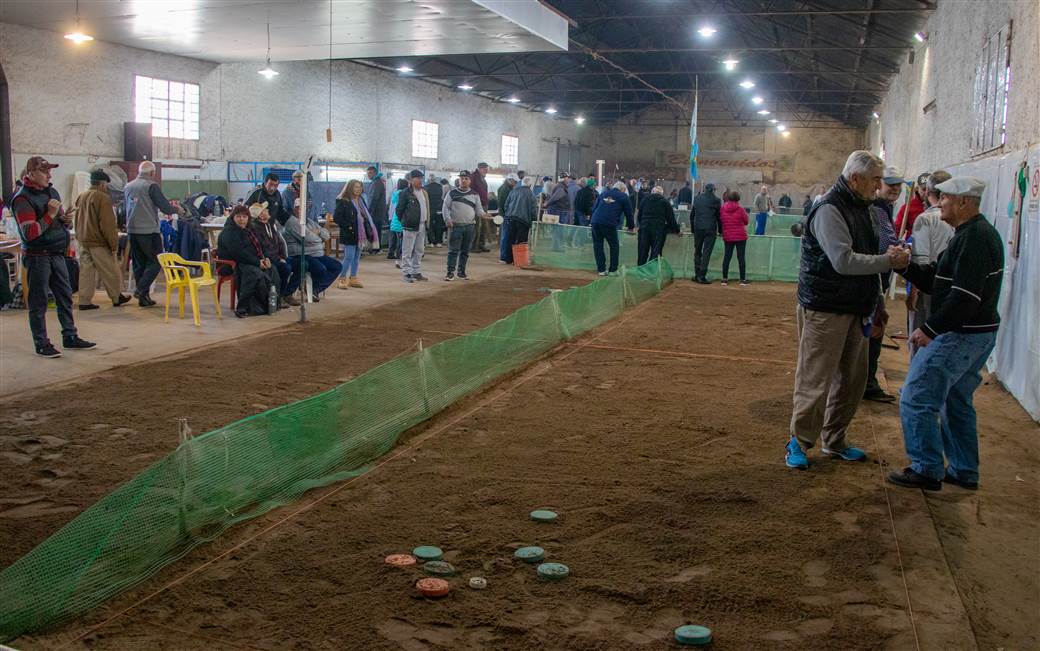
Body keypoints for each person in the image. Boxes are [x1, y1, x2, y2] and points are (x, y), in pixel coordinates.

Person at [785, 150, 903, 470]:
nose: (880, 187)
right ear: (856, 179)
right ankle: (799, 441)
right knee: (815, 379)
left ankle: (834, 439)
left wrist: (877, 303)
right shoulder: (828, 209)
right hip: (825, 308)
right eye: (875, 180)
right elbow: (843, 260)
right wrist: (888, 262)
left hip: (858, 308)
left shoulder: (865, 208)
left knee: (853, 381)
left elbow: (864, 259)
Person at [886, 177, 1003, 491]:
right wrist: (905, 266)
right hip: (975, 333)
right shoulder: (969, 235)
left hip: (961, 334)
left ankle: (926, 467)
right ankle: (964, 470)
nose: (938, 203)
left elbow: (964, 297)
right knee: (955, 400)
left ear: (964, 202)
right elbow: (939, 282)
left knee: (916, 396)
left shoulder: (975, 239)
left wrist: (929, 329)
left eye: (945, 198)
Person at [12, 156, 95, 357]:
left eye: (50, 171)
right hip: (37, 256)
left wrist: (65, 220)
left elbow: (58, 221)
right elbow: (29, 233)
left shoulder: (52, 191)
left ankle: (70, 336)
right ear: (31, 174)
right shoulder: (22, 199)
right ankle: (41, 343)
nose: (49, 175)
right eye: (44, 171)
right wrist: (50, 214)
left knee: (65, 297)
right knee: (38, 302)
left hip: (57, 254)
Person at [863, 167, 904, 403]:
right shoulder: (876, 209)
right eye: (890, 185)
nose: (895, 189)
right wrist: (898, 247)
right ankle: (867, 383)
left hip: (878, 277)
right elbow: (883, 244)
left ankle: (866, 381)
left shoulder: (883, 208)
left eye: (898, 185)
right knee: (874, 329)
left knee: (875, 327)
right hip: (873, 279)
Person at [907, 170, 955, 357]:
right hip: (950, 289)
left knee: (920, 337)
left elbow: (921, 260)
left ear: (927, 192)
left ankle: (917, 380)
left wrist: (913, 291)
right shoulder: (960, 219)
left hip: (929, 287)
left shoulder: (926, 219)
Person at [124, 160, 181, 307]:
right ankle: (141, 289)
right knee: (156, 262)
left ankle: (144, 298)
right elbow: (165, 208)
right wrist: (178, 210)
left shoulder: (128, 186)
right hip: (148, 230)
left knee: (139, 264)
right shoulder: (151, 186)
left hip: (132, 230)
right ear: (152, 173)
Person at [74, 169, 131, 309]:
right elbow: (107, 224)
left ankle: (84, 301)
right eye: (106, 184)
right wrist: (113, 244)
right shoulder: (103, 198)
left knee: (86, 273)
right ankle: (117, 297)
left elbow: (76, 219)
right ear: (102, 184)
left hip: (83, 240)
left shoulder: (82, 196)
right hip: (99, 242)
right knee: (110, 271)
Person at [218, 205, 277, 317]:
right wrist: (258, 262)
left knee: (273, 270)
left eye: (244, 216)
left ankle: (269, 305)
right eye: (238, 216)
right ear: (233, 218)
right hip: (231, 264)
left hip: (248, 261)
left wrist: (265, 258)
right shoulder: (229, 232)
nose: (241, 219)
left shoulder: (250, 230)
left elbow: (260, 246)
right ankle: (243, 307)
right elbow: (238, 253)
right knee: (254, 274)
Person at [283, 200, 341, 301]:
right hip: (301, 254)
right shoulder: (293, 222)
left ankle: (316, 289)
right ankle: (311, 289)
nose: (302, 210)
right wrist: (319, 239)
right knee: (320, 268)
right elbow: (307, 239)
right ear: (294, 209)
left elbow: (327, 235)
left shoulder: (309, 221)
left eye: (304, 208)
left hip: (317, 254)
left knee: (337, 266)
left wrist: (318, 232)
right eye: (299, 208)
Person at [249, 202, 299, 307]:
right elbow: (264, 249)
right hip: (268, 260)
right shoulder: (256, 229)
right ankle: (279, 297)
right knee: (285, 269)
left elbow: (280, 243)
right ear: (260, 215)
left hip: (278, 257)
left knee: (302, 264)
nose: (267, 211)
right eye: (265, 210)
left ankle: (287, 293)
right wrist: (279, 258)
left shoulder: (270, 225)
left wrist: (283, 257)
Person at [333, 179, 380, 289]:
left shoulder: (361, 200)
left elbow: (364, 214)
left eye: (360, 187)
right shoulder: (343, 200)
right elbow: (337, 218)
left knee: (357, 257)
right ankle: (342, 278)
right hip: (349, 233)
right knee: (349, 256)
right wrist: (348, 226)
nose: (358, 189)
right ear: (350, 188)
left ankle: (353, 278)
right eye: (355, 187)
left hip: (360, 233)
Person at [442, 170, 486, 281]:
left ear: (470, 181)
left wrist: (484, 215)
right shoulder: (451, 193)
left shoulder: (475, 194)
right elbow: (445, 207)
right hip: (455, 226)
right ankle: (450, 272)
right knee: (453, 251)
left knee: (465, 251)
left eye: (466, 178)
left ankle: (461, 272)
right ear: (459, 180)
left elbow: (478, 209)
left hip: (469, 227)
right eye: (462, 178)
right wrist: (447, 219)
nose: (464, 180)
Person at [590, 181, 634, 276]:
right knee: (614, 246)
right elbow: (629, 213)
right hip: (608, 223)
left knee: (598, 245)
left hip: (595, 221)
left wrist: (592, 220)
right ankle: (613, 270)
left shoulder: (603, 193)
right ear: (623, 189)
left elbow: (594, 208)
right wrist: (631, 227)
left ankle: (601, 270)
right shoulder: (624, 197)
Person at [395, 169, 430, 282]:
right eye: (418, 178)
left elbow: (426, 208)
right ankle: (406, 273)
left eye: (421, 178)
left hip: (422, 225)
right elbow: (399, 210)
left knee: (419, 250)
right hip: (410, 226)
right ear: (411, 180)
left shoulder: (424, 192)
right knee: (407, 250)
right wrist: (405, 221)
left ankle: (416, 271)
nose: (420, 180)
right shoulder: (405, 193)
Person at [635, 186, 679, 266]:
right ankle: (652, 270)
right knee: (656, 252)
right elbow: (671, 219)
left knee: (642, 251)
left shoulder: (645, 200)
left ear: (652, 192)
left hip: (644, 228)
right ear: (662, 194)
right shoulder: (665, 201)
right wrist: (677, 230)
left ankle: (641, 271)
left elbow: (639, 215)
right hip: (658, 229)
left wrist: (640, 225)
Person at [690, 183, 722, 284]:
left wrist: (692, 229)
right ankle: (702, 276)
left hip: (698, 228)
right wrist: (721, 230)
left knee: (698, 251)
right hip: (710, 229)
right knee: (706, 253)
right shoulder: (717, 200)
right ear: (713, 190)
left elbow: (692, 215)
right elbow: (718, 217)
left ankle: (697, 274)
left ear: (705, 189)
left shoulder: (697, 198)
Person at [503, 175, 538, 264]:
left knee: (510, 239)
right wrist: (534, 221)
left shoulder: (513, 191)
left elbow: (506, 205)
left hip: (510, 219)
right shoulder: (531, 195)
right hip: (523, 221)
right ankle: (518, 261)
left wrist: (507, 215)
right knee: (521, 241)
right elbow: (533, 210)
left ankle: (508, 259)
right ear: (530, 185)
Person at [719, 190, 750, 286]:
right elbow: (746, 221)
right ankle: (742, 279)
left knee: (727, 257)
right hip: (740, 236)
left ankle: (724, 279)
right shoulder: (740, 209)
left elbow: (722, 220)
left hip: (728, 235)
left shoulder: (723, 208)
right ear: (738, 198)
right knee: (741, 257)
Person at [894, 173, 929, 238]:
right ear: (917, 188)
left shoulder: (939, 205)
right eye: (923, 189)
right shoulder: (907, 207)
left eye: (929, 189)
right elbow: (897, 230)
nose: (927, 192)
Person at [469, 162, 492, 253]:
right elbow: (471, 191)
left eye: (487, 169)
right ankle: (473, 246)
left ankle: (481, 244)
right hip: (476, 205)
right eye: (485, 169)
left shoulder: (482, 178)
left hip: (484, 204)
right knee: (476, 226)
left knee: (484, 226)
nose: (486, 171)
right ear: (480, 168)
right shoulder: (473, 177)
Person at [496, 174, 517, 262]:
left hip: (506, 214)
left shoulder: (508, 188)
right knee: (504, 236)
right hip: (505, 215)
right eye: (514, 182)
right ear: (509, 180)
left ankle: (505, 255)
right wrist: (507, 214)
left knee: (506, 235)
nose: (515, 183)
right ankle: (503, 256)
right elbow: (503, 203)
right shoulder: (504, 189)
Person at [386, 179, 407, 260]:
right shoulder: (404, 194)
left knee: (392, 238)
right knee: (400, 239)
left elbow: (390, 205)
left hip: (392, 217)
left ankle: (390, 253)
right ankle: (399, 254)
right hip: (399, 219)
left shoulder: (394, 193)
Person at [424, 174, 446, 247]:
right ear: (435, 179)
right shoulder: (440, 187)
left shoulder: (426, 187)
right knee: (439, 225)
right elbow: (442, 197)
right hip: (439, 208)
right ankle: (439, 242)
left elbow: (425, 200)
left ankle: (431, 242)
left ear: (429, 180)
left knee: (430, 225)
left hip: (430, 209)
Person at [364, 166, 388, 232]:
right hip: (376, 214)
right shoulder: (376, 182)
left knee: (375, 235)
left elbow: (374, 198)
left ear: (375, 173)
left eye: (370, 173)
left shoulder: (376, 183)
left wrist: (368, 213)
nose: (368, 175)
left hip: (375, 214)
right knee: (376, 234)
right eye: (367, 173)